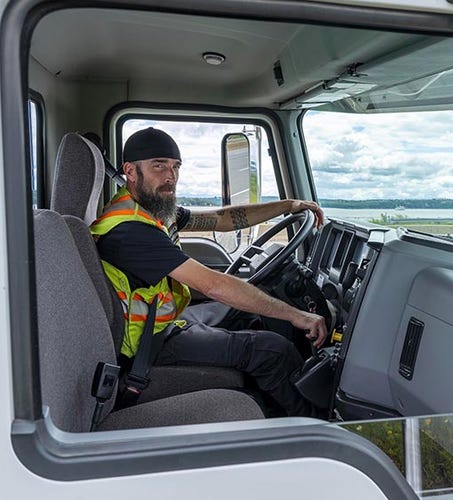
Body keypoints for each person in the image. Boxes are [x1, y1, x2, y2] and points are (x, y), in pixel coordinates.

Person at [90, 127, 328, 417]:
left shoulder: (150, 209)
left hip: (163, 321)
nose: (170, 177)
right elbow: (214, 285)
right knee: (272, 350)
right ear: (130, 170)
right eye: (159, 166)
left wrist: (287, 206)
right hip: (149, 342)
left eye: (175, 166)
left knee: (251, 314)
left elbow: (220, 219)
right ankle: (317, 425)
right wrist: (297, 315)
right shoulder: (130, 230)